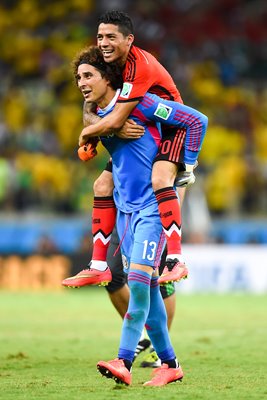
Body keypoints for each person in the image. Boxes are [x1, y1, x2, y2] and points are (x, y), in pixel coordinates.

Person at [65, 45, 207, 386]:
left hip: (153, 212)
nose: (82, 83)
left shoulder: (142, 105)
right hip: (125, 213)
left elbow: (195, 119)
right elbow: (91, 144)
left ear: (108, 77)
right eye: (79, 77)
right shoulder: (102, 118)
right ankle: (171, 364)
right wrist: (97, 134)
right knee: (152, 296)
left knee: (139, 287)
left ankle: (124, 359)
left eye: (89, 76)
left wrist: (185, 166)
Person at [64, 10, 197, 287]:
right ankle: (98, 265)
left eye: (110, 37)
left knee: (160, 182)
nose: (103, 42)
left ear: (129, 40)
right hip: (140, 137)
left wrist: (91, 131)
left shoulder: (139, 66)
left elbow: (114, 118)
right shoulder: (110, 66)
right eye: (100, 36)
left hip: (169, 132)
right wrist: (105, 125)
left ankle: (174, 259)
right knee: (102, 185)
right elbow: (93, 107)